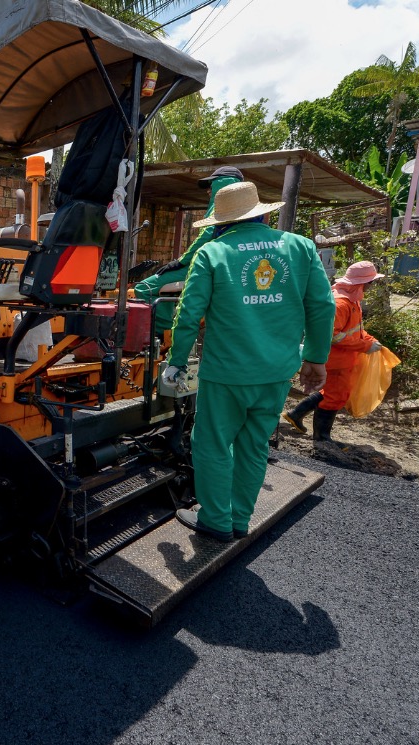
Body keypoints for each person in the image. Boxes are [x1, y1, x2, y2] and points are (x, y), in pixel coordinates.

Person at [161, 182, 335, 542]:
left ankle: (216, 520)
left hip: (226, 372)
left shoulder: (212, 253)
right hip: (276, 372)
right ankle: (240, 519)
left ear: (220, 223)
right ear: (263, 213)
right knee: (254, 444)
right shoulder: (301, 247)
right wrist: (315, 359)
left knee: (211, 442)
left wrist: (175, 362)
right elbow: (322, 306)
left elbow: (188, 314)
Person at [282, 261, 385, 442]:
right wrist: (365, 346)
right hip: (335, 361)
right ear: (361, 283)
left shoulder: (352, 300)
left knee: (329, 393)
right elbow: (333, 336)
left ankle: (295, 414)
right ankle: (322, 438)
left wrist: (369, 340)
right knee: (336, 396)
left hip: (342, 360)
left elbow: (354, 330)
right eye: (370, 282)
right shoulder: (341, 304)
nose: (371, 285)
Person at [133, 166, 243, 334]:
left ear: (222, 184)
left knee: (142, 288)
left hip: (203, 265)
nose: (208, 190)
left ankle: (163, 333)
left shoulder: (219, 207)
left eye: (211, 185)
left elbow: (205, 236)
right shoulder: (241, 209)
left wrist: (180, 261)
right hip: (224, 265)